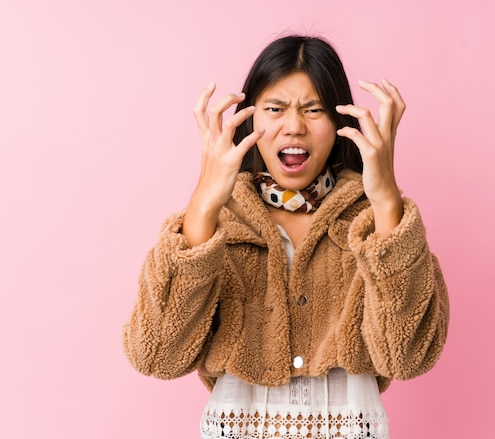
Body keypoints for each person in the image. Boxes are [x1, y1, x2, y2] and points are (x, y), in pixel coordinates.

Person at [123, 34, 449, 439]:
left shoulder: (375, 222)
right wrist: (203, 206)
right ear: (250, 117)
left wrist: (385, 203)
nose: (294, 126)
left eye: (314, 110)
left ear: (339, 122)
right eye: (275, 108)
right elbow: (157, 355)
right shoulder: (219, 223)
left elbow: (408, 357)